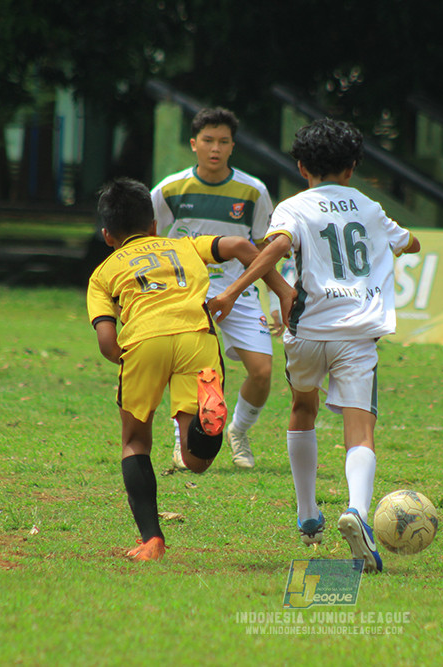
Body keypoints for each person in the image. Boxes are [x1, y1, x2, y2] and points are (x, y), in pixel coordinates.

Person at [208, 118, 421, 573]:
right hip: (357, 336)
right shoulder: (370, 207)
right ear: (353, 167)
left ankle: (308, 514)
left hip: (306, 332)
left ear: (302, 167)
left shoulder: (294, 206)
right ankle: (357, 511)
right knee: (360, 429)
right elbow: (410, 242)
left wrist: (231, 292)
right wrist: (404, 243)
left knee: (302, 407)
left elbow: (275, 248)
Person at [86, 178, 292, 562]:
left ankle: (152, 540)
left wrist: (132, 360)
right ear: (153, 225)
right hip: (196, 337)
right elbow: (240, 246)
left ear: (107, 236)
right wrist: (280, 289)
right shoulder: (183, 245)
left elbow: (107, 343)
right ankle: (206, 425)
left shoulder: (102, 274)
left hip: (143, 342)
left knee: (135, 442)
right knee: (195, 460)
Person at [151, 107, 275, 470]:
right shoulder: (170, 190)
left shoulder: (254, 192)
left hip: (238, 291)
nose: (215, 148)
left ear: (233, 146)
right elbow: (148, 238)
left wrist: (274, 299)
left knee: (262, 373)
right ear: (194, 144)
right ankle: (182, 441)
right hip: (187, 292)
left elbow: (264, 250)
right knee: (192, 368)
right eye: (208, 140)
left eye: (223, 141)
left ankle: (239, 430)